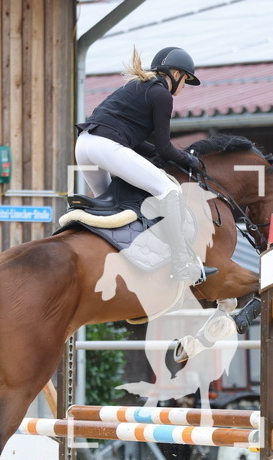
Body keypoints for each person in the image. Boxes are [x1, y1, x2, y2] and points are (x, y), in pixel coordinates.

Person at [74, 46, 211, 284]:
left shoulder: (135, 87)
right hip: (106, 147)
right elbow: (164, 147)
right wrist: (191, 161)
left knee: (111, 208)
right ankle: (182, 264)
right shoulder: (161, 94)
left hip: (85, 146)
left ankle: (114, 257)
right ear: (176, 74)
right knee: (169, 190)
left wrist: (163, 157)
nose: (183, 88)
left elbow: (143, 145)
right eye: (186, 81)